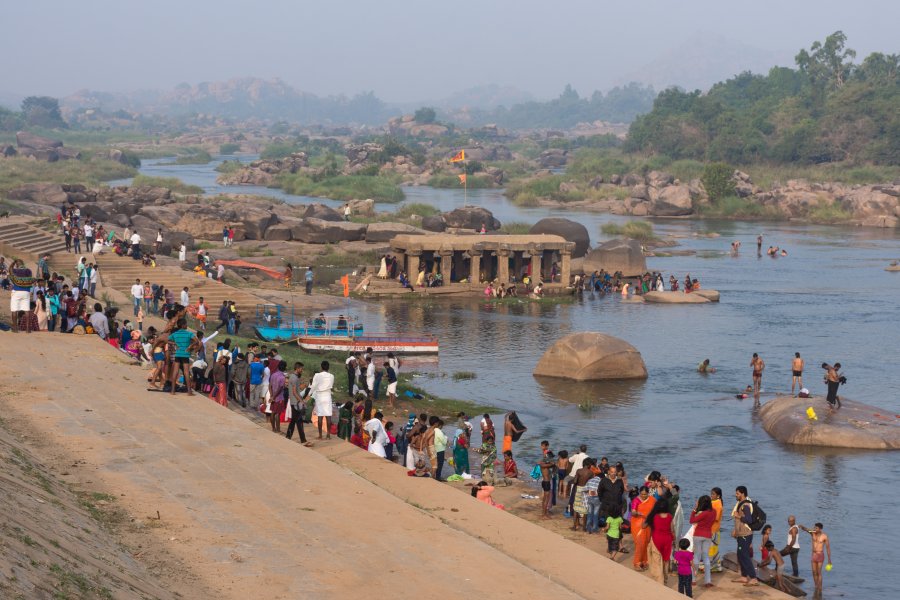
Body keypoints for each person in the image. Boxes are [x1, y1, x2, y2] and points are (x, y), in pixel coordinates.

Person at [731, 486, 759, 586]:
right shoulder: (741, 503)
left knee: (744, 556)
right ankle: (743, 576)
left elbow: (748, 520)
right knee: (740, 554)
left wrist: (738, 516)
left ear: (743, 494)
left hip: (745, 535)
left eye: (737, 493)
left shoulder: (745, 505)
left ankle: (753, 578)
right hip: (741, 534)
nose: (736, 495)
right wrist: (735, 530)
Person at [645, 495, 674, 585]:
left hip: (656, 539)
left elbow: (643, 526)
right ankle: (665, 579)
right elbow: (672, 530)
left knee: (657, 560)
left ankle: (659, 581)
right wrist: (674, 540)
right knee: (666, 560)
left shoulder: (654, 516)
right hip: (667, 540)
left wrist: (650, 513)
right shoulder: (669, 516)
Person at [690, 495, 716, 588]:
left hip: (698, 535)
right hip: (708, 535)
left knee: (696, 556)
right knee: (706, 557)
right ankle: (707, 581)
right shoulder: (714, 512)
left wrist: (694, 510)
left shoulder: (703, 513)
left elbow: (692, 520)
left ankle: (693, 579)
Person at [169, 318, 200, 395]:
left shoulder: (175, 334)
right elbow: (196, 341)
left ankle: (172, 391)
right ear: (183, 325)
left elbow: (168, 339)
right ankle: (189, 391)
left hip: (178, 354)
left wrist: (174, 344)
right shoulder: (189, 334)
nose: (187, 325)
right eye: (186, 324)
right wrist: (190, 346)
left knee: (175, 372)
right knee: (186, 372)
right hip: (185, 355)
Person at [800, 522, 831, 595]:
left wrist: (829, 559)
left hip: (820, 554)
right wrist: (802, 526)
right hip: (813, 555)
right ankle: (816, 586)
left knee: (819, 572)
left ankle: (820, 588)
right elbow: (806, 529)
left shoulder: (824, 536)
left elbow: (828, 548)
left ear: (820, 529)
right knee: (814, 572)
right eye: (814, 528)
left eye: (816, 528)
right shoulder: (812, 533)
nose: (814, 529)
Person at [631, 484, 656, 571]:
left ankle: (644, 561)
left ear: (648, 493)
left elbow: (655, 509)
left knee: (646, 543)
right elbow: (633, 512)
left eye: (645, 494)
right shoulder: (636, 500)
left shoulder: (652, 500)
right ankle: (637, 562)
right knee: (639, 543)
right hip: (637, 524)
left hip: (648, 524)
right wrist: (639, 513)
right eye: (642, 494)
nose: (643, 496)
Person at [310, 361, 334, 439]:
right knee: (328, 415)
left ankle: (320, 435)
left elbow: (313, 386)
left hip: (319, 396)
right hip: (327, 396)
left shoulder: (317, 375)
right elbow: (331, 385)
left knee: (320, 415)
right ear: (328, 367)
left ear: (321, 367)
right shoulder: (331, 376)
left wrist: (309, 394)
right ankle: (328, 435)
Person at [9, 260, 35, 333]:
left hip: (16, 291)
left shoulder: (15, 270)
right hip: (26, 292)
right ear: (23, 264)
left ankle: (15, 329)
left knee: (14, 310)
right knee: (27, 310)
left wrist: (12, 263)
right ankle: (28, 329)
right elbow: (30, 279)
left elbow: (10, 269)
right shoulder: (28, 271)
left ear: (16, 265)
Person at [538, 451, 555, 519]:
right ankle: (544, 515)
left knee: (545, 498)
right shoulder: (545, 465)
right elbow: (552, 464)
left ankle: (543, 513)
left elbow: (549, 463)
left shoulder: (542, 463)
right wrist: (551, 462)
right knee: (546, 499)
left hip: (544, 481)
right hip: (547, 482)